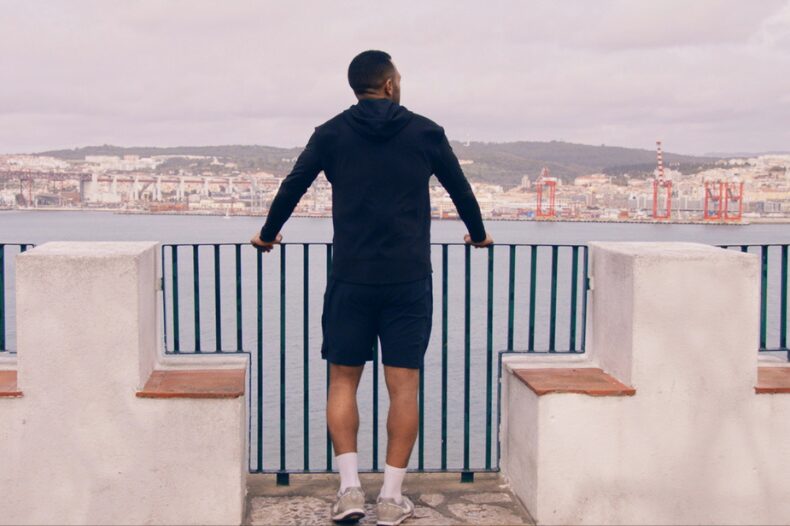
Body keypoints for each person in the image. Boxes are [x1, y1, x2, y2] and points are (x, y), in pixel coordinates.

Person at [251, 50, 492, 526]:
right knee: (403, 386)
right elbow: (460, 189)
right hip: (407, 278)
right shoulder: (425, 131)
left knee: (343, 380)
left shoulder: (331, 134)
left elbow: (293, 185)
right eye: (397, 78)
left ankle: (348, 491)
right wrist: (479, 234)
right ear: (387, 84)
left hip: (351, 277)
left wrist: (267, 233)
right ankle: (391, 498)